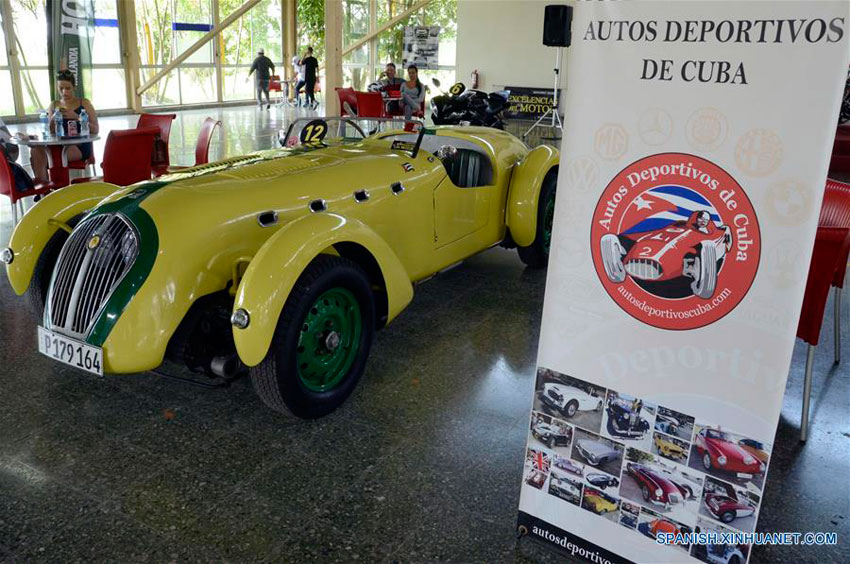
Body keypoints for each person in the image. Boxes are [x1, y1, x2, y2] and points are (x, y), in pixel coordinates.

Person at [30, 70, 99, 184]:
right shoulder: (54, 105)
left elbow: (95, 128)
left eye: (68, 88)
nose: (64, 92)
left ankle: (56, 188)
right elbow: (50, 131)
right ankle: (44, 190)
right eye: (61, 88)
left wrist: (77, 117)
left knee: (49, 157)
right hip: (58, 143)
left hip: (78, 146)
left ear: (74, 87)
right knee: (35, 151)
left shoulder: (84, 103)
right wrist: (52, 119)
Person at [0, 115, 35, 192]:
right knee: (36, 151)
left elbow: (10, 139)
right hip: (7, 168)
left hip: (5, 175)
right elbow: (12, 148)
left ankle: (46, 193)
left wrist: (17, 136)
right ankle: (47, 193)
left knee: (36, 151)